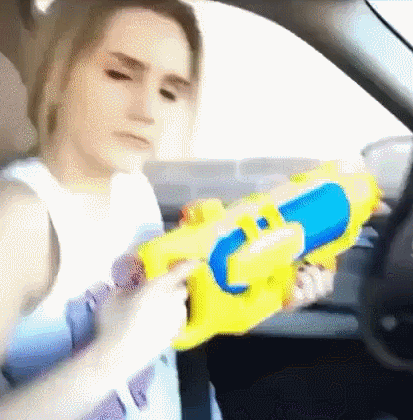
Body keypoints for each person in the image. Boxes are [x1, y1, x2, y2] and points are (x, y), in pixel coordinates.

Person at [0, 0, 335, 418]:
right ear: (58, 73)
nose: (147, 111)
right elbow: (130, 346)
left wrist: (273, 288)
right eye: (119, 74)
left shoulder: (132, 188)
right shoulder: (20, 218)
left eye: (168, 91)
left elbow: (175, 319)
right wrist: (113, 355)